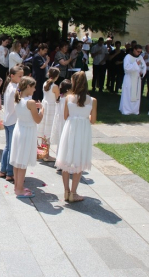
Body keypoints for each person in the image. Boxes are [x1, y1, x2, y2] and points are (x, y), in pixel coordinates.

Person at [56, 71, 97, 202]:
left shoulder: (68, 98)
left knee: (66, 158)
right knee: (79, 158)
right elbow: (93, 120)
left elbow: (65, 116)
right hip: (83, 129)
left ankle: (66, 191)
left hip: (70, 128)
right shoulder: (92, 100)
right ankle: (74, 192)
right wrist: (85, 115)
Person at [10, 76, 43, 198]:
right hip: (27, 132)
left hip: (19, 130)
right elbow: (37, 120)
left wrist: (36, 107)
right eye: (34, 87)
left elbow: (27, 111)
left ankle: (17, 186)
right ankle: (19, 189)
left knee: (18, 161)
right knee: (22, 162)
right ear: (28, 86)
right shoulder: (30, 102)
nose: (35, 89)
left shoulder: (18, 99)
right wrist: (42, 110)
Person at [0, 66, 24, 183]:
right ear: (12, 76)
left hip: (8, 119)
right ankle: (10, 172)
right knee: (12, 148)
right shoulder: (16, 89)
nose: (22, 78)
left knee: (8, 147)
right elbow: (18, 106)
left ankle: (3, 170)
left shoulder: (9, 85)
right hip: (13, 120)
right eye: (20, 76)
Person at [37, 67, 60, 161]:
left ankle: (43, 152)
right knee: (48, 130)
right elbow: (58, 98)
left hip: (45, 106)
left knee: (43, 129)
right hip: (51, 108)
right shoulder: (55, 86)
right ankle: (46, 155)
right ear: (57, 76)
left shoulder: (45, 83)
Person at [119, 44, 147, 115]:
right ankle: (126, 110)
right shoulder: (128, 57)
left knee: (136, 95)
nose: (139, 53)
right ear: (134, 50)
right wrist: (135, 64)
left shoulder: (140, 57)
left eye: (140, 52)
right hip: (129, 78)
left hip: (137, 79)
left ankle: (135, 110)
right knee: (128, 94)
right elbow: (126, 68)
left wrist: (142, 72)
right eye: (138, 51)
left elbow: (144, 66)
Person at [50, 80, 72, 154]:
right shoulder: (65, 100)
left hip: (59, 121)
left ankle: (59, 154)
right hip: (64, 121)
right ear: (68, 90)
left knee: (61, 139)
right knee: (65, 139)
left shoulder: (59, 99)